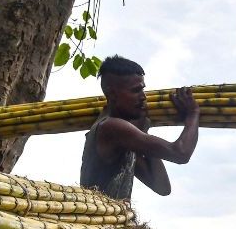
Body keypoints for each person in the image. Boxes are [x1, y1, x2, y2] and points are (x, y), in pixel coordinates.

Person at [80, 55, 201, 200]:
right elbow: (180, 153)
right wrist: (193, 114)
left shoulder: (124, 140)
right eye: (135, 90)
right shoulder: (111, 127)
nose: (143, 97)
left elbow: (162, 187)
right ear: (112, 94)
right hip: (102, 220)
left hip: (112, 221)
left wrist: (143, 132)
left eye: (142, 90)